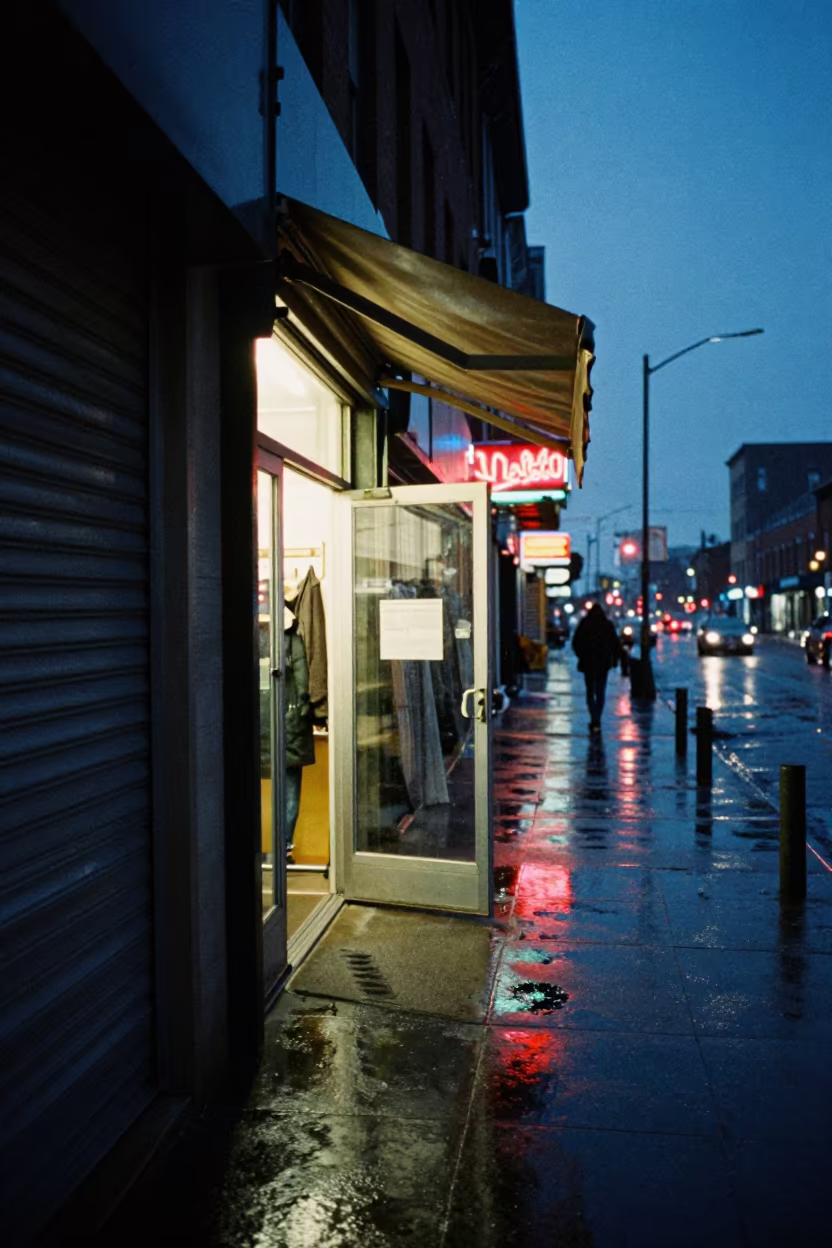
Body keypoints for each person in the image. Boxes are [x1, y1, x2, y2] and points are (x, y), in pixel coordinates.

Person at [283, 604, 315, 859]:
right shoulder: (292, 640)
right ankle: (285, 845)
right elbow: (304, 684)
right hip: (290, 723)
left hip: (262, 726)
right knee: (290, 789)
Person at [571, 603, 622, 733]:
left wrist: (582, 656)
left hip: (588, 663)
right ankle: (597, 717)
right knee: (600, 691)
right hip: (603, 663)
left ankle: (593, 716)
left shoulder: (585, 624)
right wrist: (615, 659)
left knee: (590, 691)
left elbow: (576, 642)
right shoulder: (607, 625)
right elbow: (615, 644)